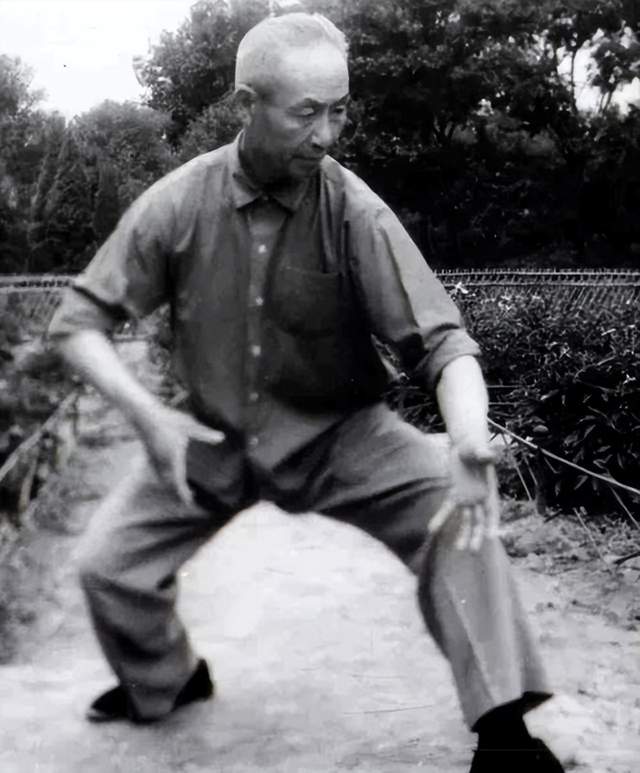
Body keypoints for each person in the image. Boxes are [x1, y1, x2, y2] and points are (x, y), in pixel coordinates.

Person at [48, 12, 565, 772]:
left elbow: (443, 344)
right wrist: (150, 418)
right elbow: (78, 325)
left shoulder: (355, 210)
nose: (327, 134)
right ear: (246, 105)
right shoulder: (178, 203)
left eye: (340, 110)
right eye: (306, 112)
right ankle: (169, 677)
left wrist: (465, 439)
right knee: (106, 565)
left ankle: (505, 728)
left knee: (459, 517)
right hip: (212, 435)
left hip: (341, 434)